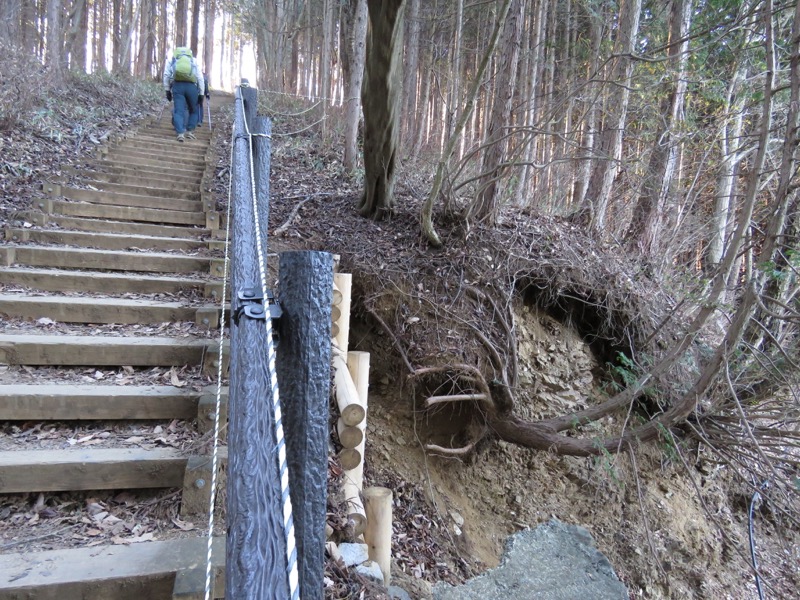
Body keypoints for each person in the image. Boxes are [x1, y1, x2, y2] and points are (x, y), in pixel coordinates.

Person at [163, 47, 204, 142]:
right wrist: (201, 93)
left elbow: (166, 75)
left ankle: (180, 133)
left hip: (177, 86)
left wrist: (167, 90)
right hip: (192, 87)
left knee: (178, 111)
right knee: (193, 110)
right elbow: (200, 77)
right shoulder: (193, 60)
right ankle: (190, 131)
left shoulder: (172, 60)